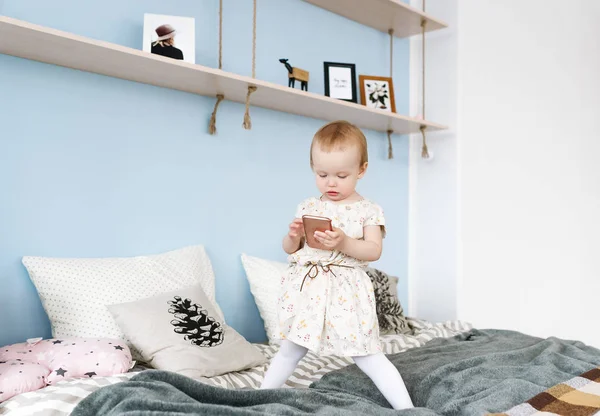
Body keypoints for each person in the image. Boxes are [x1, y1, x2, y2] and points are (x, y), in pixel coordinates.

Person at [259, 120, 414, 410]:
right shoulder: (309, 207)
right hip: (310, 292)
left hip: (347, 293)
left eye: (342, 175)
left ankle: (407, 408)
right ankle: (256, 398)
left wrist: (343, 242)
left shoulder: (368, 210)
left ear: (361, 170)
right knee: (291, 349)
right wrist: (293, 236)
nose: (331, 182)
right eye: (322, 174)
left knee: (368, 354)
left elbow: (373, 250)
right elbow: (291, 249)